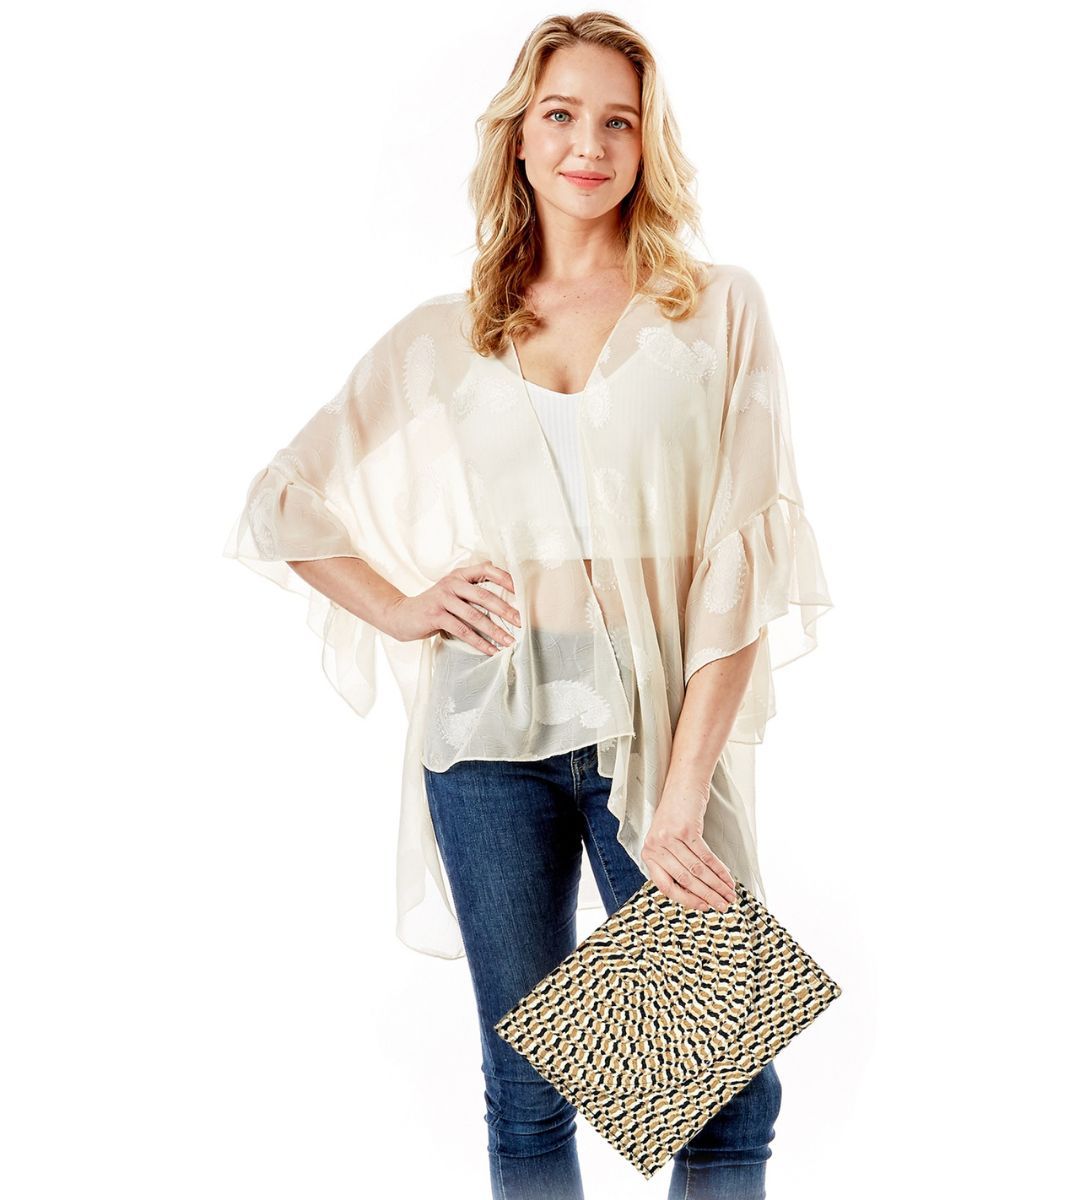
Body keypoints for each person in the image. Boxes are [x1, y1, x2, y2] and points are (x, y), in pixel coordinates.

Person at [224, 12, 833, 1199]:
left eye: (619, 122)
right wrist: (403, 606)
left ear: (649, 143)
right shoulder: (451, 333)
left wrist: (680, 794)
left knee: (723, 1093)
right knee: (527, 1091)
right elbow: (282, 498)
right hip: (487, 737)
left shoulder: (713, 307)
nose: (588, 145)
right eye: (561, 115)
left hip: (655, 732)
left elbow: (743, 569)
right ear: (519, 137)